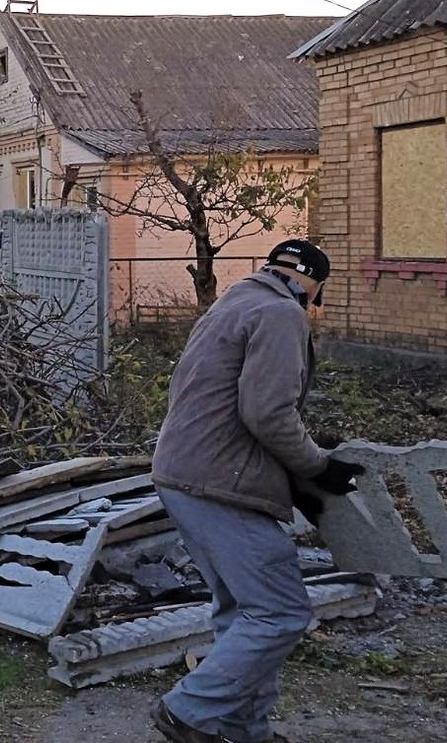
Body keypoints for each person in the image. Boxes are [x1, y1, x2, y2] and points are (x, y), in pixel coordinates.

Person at [149, 239, 363, 743]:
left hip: (183, 473)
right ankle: (190, 711)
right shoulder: (281, 314)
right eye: (318, 295)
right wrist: (319, 466)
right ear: (312, 285)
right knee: (280, 611)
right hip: (220, 483)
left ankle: (243, 732)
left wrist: (293, 480)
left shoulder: (234, 301)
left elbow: (229, 403)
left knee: (242, 611)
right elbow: (268, 414)